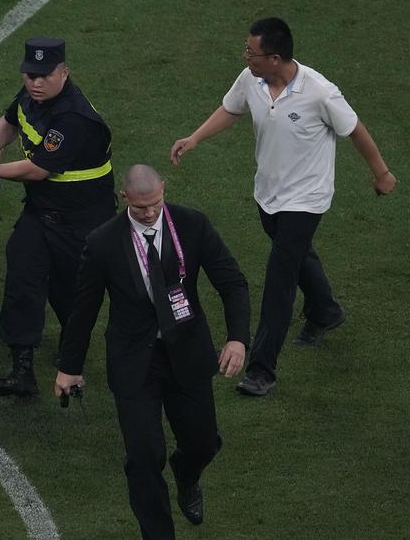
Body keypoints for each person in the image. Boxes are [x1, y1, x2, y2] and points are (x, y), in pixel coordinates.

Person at [170, 17, 397, 397]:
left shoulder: (320, 92)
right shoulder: (251, 80)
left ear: (275, 58)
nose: (246, 57)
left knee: (280, 277)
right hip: (268, 194)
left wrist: (382, 174)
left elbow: (354, 129)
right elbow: (232, 108)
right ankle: (325, 311)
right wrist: (195, 138)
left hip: (306, 199)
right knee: (295, 256)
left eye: (251, 52)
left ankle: (262, 369)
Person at [56, 165, 250, 540]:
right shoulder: (103, 242)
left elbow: (232, 282)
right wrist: (70, 366)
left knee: (203, 443)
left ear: (164, 189)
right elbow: (83, 309)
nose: (149, 213)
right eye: (141, 206)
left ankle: (187, 473)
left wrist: (237, 338)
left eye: (155, 203)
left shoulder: (193, 225)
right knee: (144, 459)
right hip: (134, 361)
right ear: (123, 198)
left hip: (187, 354)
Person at [0, 38, 116, 397]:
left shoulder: (73, 118)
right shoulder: (32, 95)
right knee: (22, 278)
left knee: (72, 291)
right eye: (30, 75)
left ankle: (71, 347)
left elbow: (37, 169)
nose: (35, 82)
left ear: (64, 72)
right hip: (42, 212)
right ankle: (22, 366)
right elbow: (10, 121)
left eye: (44, 75)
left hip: (83, 221)